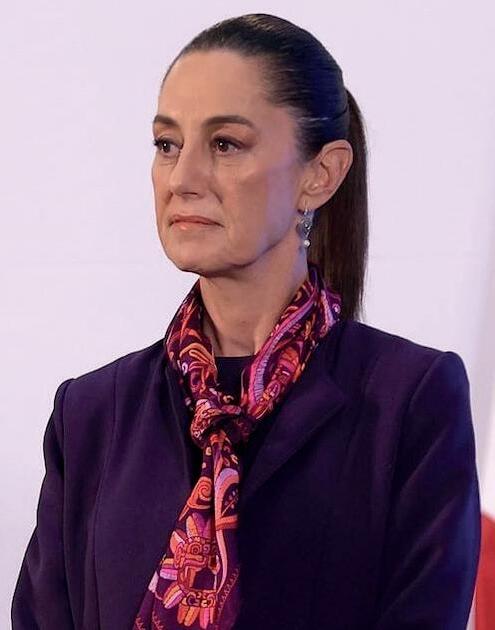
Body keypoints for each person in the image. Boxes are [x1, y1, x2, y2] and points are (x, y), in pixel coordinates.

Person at [11, 12, 480, 630]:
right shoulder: (91, 414)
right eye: (167, 144)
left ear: (321, 174)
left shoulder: (409, 400)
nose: (182, 179)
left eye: (225, 144)